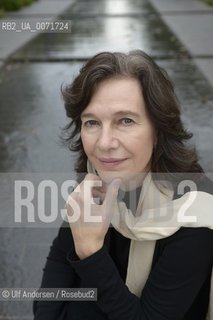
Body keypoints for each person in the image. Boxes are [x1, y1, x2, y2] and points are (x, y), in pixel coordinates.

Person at [33, 50, 213, 320]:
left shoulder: (196, 214)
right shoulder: (94, 183)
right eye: (92, 122)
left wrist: (91, 253)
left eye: (125, 121)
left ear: (158, 130)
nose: (104, 143)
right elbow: (53, 283)